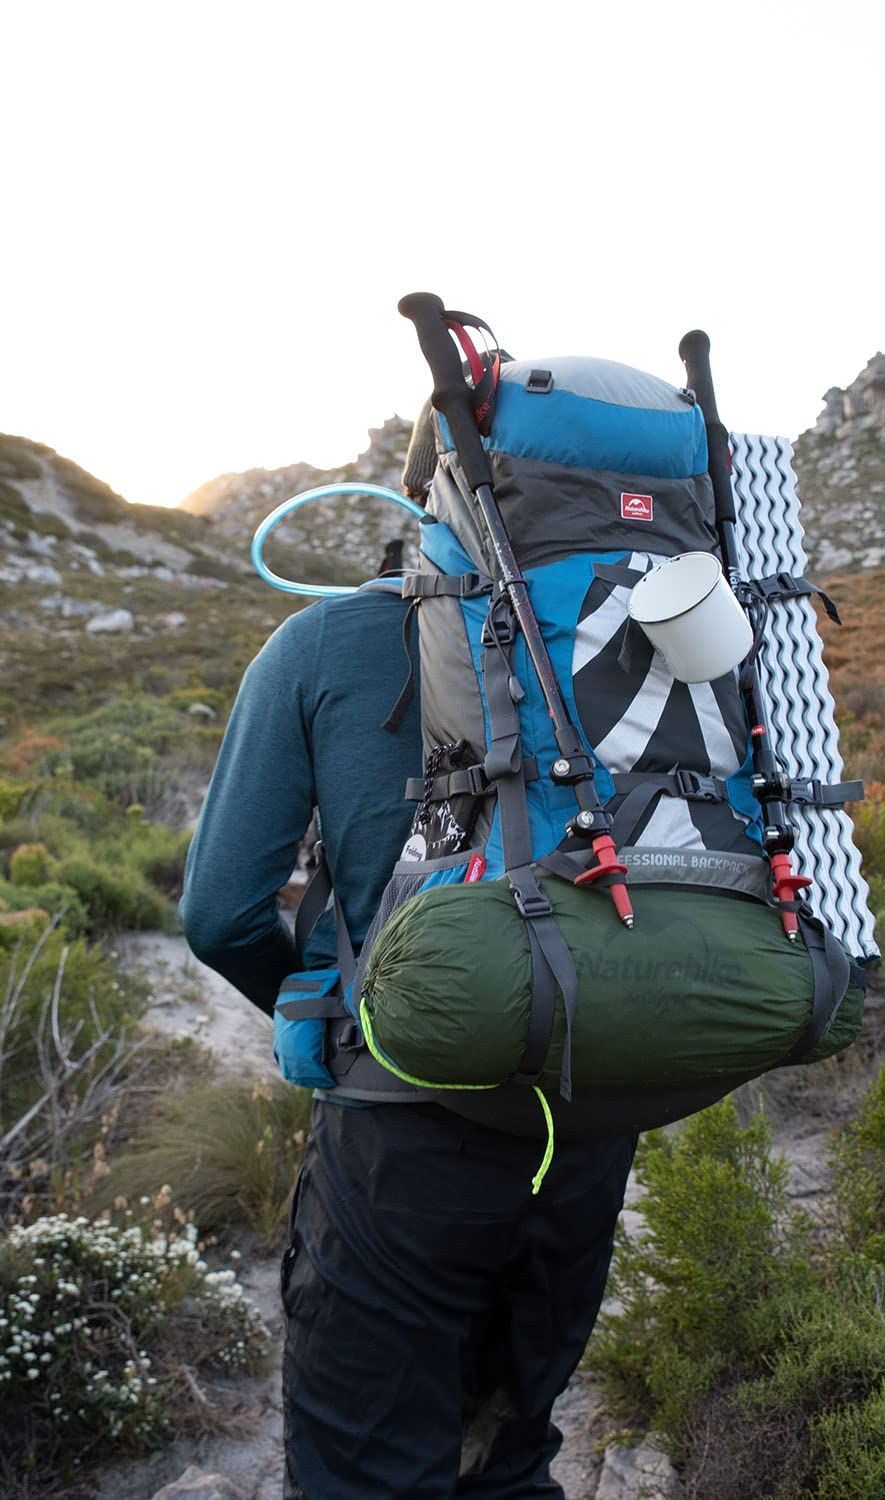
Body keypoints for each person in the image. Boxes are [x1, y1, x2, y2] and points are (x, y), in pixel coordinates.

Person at [180, 431, 638, 1499]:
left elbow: (220, 914)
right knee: (511, 1452)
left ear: (420, 496)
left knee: (366, 1471)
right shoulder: (632, 635)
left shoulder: (325, 644)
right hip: (590, 1114)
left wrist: (330, 1013)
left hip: (400, 1139)